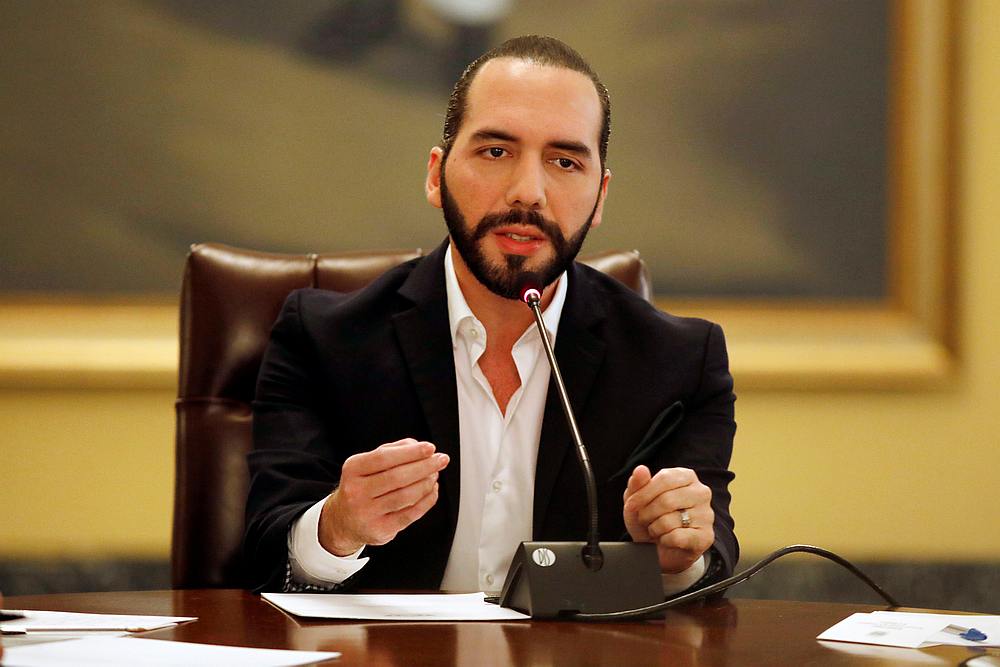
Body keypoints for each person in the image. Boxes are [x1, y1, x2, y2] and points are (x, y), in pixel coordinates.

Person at [244, 35, 737, 595]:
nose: (528, 193)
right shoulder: (324, 339)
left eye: (564, 161)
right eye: (496, 152)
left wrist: (678, 555)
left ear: (599, 197)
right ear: (437, 175)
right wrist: (336, 528)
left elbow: (708, 555)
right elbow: (265, 553)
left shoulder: (678, 363)